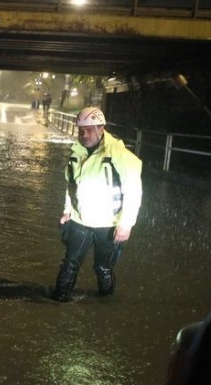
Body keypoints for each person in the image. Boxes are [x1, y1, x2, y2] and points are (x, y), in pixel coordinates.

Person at [51, 107, 142, 302]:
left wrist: (126, 223)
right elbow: (71, 185)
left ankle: (105, 302)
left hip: (108, 224)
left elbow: (134, 189)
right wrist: (67, 211)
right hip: (80, 220)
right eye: (81, 130)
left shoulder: (118, 154)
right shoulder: (76, 153)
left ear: (101, 128)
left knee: (103, 268)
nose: (84, 134)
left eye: (89, 130)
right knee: (70, 264)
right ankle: (57, 301)